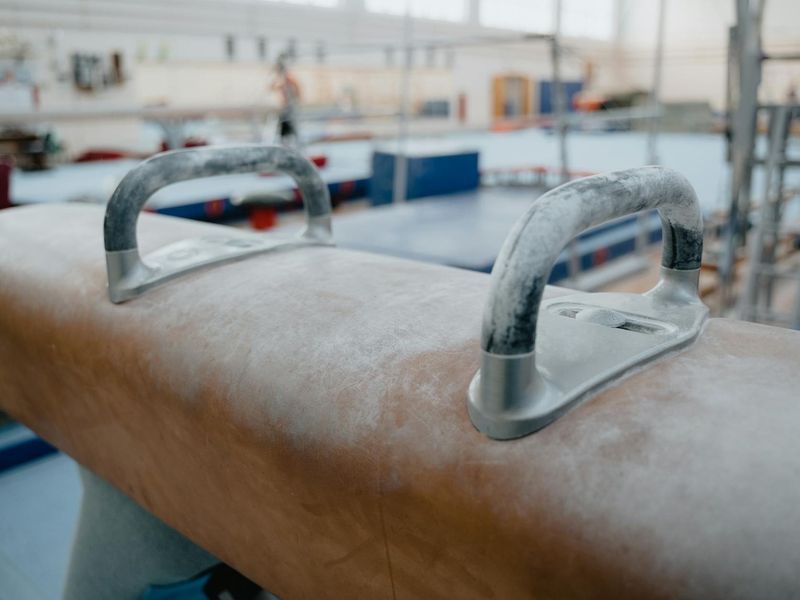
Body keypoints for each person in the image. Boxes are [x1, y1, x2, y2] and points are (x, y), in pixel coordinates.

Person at [271, 52, 301, 148]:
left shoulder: (288, 77)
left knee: (288, 126)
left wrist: (295, 99)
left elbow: (297, 88)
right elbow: (272, 87)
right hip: (285, 107)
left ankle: (289, 145)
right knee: (284, 128)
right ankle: (285, 144)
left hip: (289, 107)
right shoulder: (282, 79)